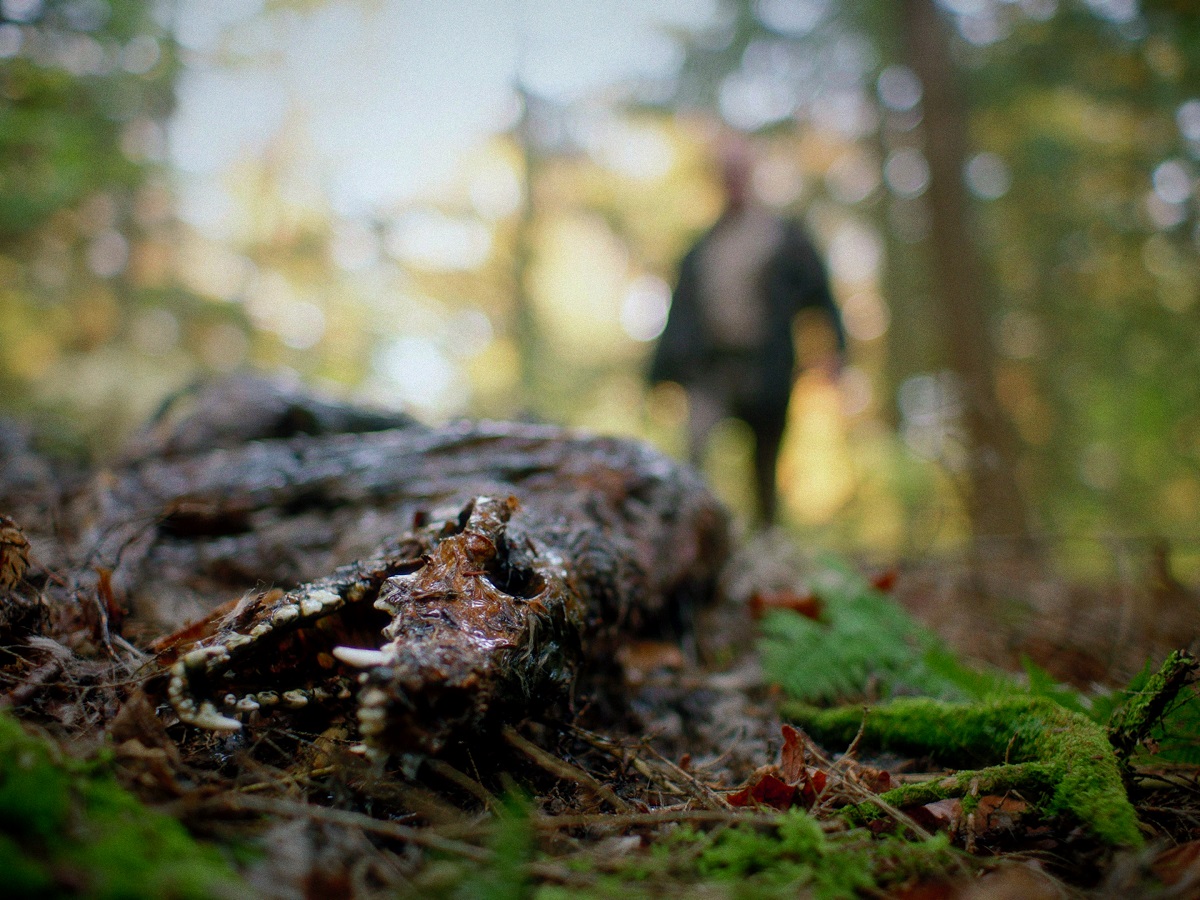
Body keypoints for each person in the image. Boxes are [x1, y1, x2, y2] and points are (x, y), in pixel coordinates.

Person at [649, 141, 845, 526]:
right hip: (711, 369)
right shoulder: (704, 248)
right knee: (694, 454)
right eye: (726, 173)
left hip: (767, 369)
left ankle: (768, 540)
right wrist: (660, 374)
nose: (733, 181)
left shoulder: (783, 238)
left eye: (738, 172)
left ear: (752, 174)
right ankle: (690, 535)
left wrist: (834, 349)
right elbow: (681, 313)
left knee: (766, 464)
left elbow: (820, 294)